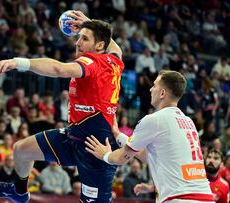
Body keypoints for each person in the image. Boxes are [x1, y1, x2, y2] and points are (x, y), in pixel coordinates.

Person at [0, 16, 124, 203]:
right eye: (78, 37)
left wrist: (18, 62)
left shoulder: (93, 63)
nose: (77, 42)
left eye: (84, 38)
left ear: (99, 46)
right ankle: (19, 192)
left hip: (96, 150)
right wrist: (88, 22)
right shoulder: (113, 59)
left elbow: (58, 69)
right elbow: (115, 47)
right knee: (21, 150)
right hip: (73, 137)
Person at [85, 70, 214, 203]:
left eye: (154, 85)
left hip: (181, 199)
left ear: (162, 93)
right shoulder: (188, 121)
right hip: (205, 197)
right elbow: (150, 156)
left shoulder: (155, 120)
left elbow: (121, 158)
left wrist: (105, 155)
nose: (151, 89)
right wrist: (118, 135)